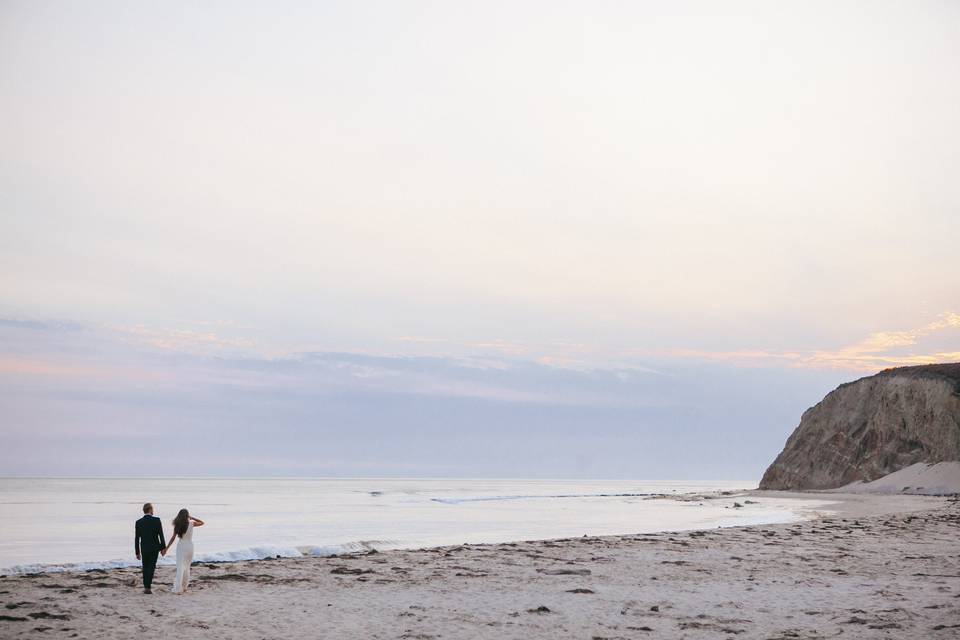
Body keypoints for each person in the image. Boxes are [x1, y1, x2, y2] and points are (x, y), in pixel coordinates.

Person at [164, 508, 204, 594]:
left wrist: (166, 548)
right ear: (187, 516)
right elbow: (202, 522)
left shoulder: (177, 525)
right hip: (190, 546)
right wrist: (192, 517)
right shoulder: (192, 523)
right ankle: (184, 586)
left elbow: (173, 538)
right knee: (187, 567)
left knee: (180, 567)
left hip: (181, 546)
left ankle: (178, 588)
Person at [134, 503, 166, 594]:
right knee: (151, 566)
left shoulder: (139, 522)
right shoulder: (157, 520)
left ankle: (146, 586)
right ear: (151, 510)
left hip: (144, 548)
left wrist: (137, 552)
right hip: (154, 548)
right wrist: (163, 548)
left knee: (145, 566)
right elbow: (161, 535)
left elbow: (137, 538)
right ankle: (148, 586)